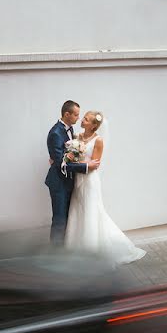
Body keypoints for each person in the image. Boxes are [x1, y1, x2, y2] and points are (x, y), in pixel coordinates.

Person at [64, 110, 145, 265]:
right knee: (78, 209)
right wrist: (67, 159)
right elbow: (72, 156)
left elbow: (94, 165)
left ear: (94, 125)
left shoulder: (98, 140)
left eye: (86, 119)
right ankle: (76, 248)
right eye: (84, 117)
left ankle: (92, 251)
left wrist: (74, 163)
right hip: (78, 179)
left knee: (91, 211)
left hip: (89, 181)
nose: (82, 120)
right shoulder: (77, 136)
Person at [45, 100, 100, 245]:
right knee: (59, 219)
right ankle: (55, 252)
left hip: (70, 181)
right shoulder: (56, 133)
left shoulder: (71, 132)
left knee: (69, 218)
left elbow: (69, 155)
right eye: (76, 115)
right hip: (58, 182)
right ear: (66, 114)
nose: (78, 117)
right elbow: (62, 164)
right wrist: (86, 166)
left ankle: (66, 247)